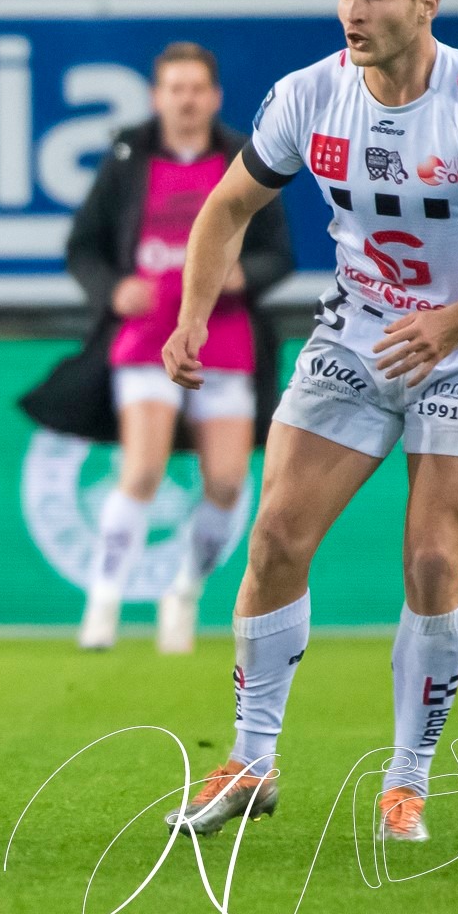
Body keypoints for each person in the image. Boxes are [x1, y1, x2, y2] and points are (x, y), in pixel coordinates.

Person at [160, 0, 458, 842]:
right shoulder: (309, 96)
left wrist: (453, 320)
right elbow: (226, 206)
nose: (352, 12)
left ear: (425, 3)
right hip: (355, 336)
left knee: (434, 559)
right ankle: (251, 760)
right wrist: (192, 314)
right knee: (275, 532)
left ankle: (406, 780)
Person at [23, 44, 293, 654]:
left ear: (215, 97)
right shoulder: (126, 160)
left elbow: (280, 250)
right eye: (175, 88)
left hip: (221, 337)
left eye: (197, 88)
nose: (187, 100)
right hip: (145, 339)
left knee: (226, 481)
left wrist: (242, 277)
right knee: (141, 469)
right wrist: (113, 289)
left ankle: (184, 590)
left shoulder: (241, 160)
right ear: (156, 97)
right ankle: (105, 600)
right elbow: (82, 247)